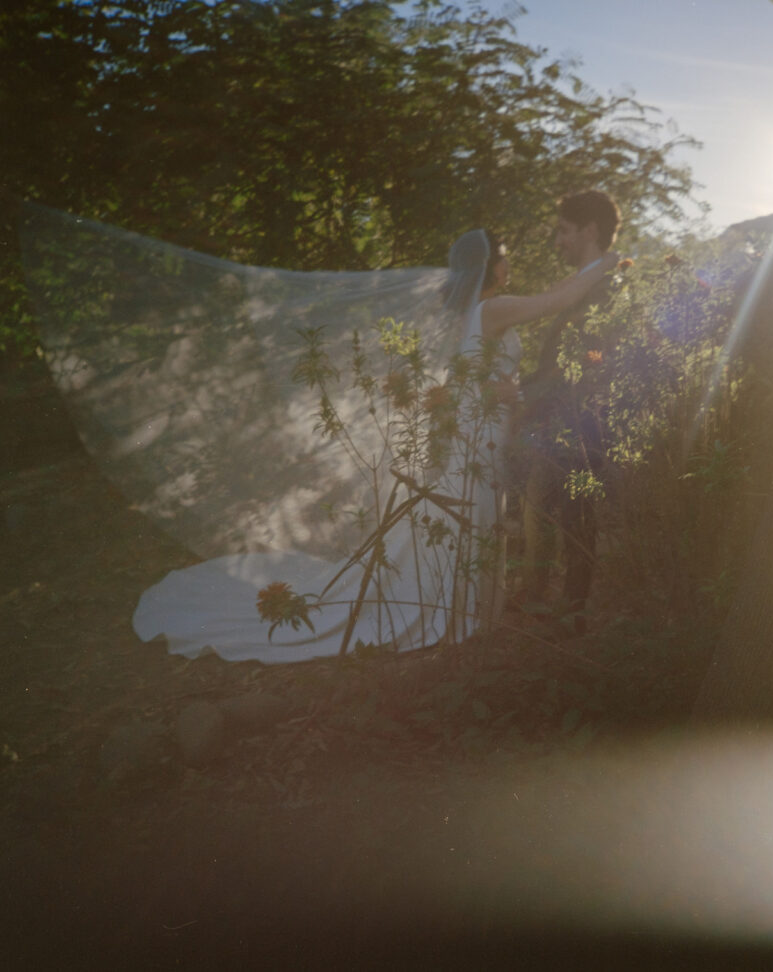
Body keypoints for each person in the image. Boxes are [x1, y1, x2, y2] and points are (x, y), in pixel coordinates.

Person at [124, 227, 618, 663]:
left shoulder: (469, 312)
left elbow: (467, 377)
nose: (511, 265)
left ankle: (460, 609)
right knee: (471, 512)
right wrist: (606, 262)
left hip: (474, 431)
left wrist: (503, 393)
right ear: (491, 267)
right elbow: (556, 299)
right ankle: (452, 612)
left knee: (467, 514)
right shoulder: (494, 308)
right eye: (505, 255)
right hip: (476, 435)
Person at [516, 189, 621, 633]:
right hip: (559, 416)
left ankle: (569, 612)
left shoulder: (606, 287)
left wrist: (526, 396)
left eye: (564, 230)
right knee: (542, 510)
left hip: (580, 419)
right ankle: (537, 599)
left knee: (572, 513)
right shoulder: (588, 281)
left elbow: (585, 359)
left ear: (590, 231)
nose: (557, 241)